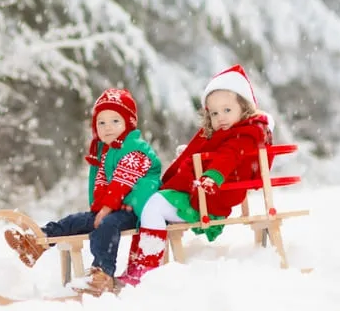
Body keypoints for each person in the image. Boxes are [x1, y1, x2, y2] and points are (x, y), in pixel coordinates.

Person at [117, 64, 274, 286]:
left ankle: (146, 267)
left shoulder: (242, 136)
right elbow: (218, 152)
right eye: (214, 112)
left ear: (245, 108)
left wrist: (212, 176)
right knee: (149, 204)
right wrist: (194, 158)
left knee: (153, 205)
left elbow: (228, 157)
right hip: (199, 193)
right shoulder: (225, 133)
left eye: (227, 110)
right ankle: (142, 263)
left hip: (208, 199)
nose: (220, 117)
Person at [3, 88, 162, 296]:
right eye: (101, 123)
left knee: (106, 226)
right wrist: (98, 209)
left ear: (128, 123)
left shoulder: (136, 149)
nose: (108, 128)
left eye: (115, 121)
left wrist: (105, 210)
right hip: (112, 208)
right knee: (73, 221)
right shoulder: (106, 151)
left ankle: (102, 274)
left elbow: (122, 183)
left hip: (135, 209)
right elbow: (101, 185)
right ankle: (37, 242)